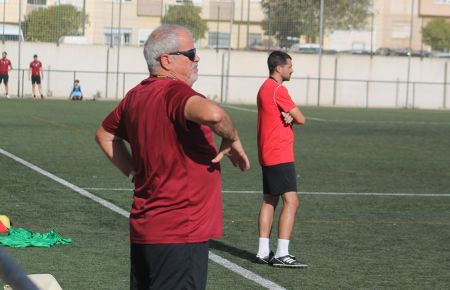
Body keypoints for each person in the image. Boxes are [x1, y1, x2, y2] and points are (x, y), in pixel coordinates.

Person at [95, 24, 250, 290]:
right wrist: (233, 137)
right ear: (166, 60)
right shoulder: (175, 92)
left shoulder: (135, 96)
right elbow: (214, 114)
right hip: (180, 231)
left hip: (148, 229)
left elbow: (104, 135)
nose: (197, 58)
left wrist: (133, 172)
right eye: (191, 53)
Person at [255, 51, 307, 268]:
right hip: (279, 153)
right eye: (289, 66)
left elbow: (284, 115)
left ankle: (263, 251)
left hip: (267, 152)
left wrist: (287, 116)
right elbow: (302, 118)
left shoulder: (264, 88)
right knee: (292, 201)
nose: (292, 69)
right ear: (279, 68)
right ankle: (282, 254)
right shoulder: (278, 89)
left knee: (270, 200)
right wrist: (292, 116)